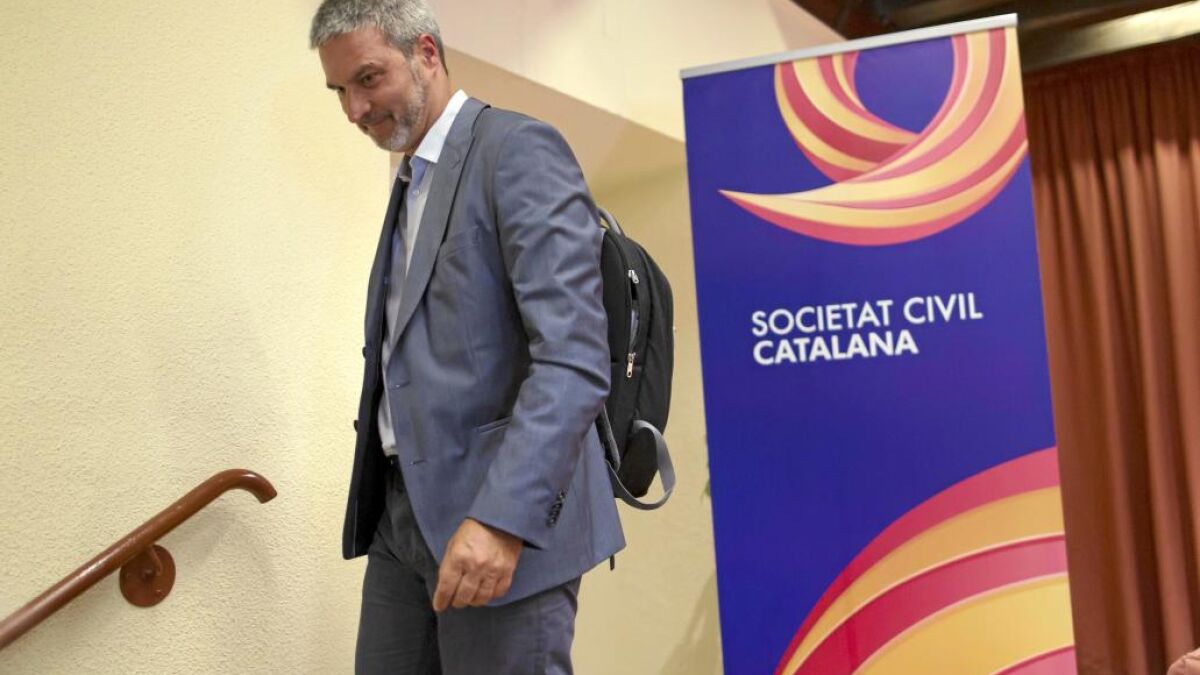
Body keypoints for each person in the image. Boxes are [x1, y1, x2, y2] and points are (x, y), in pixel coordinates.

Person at [310, 1, 625, 672]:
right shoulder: (411, 179)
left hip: (498, 514)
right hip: (401, 518)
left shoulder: (517, 150)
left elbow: (572, 358)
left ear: (426, 53)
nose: (354, 109)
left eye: (368, 78)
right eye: (339, 90)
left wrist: (502, 517)